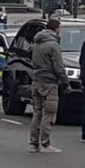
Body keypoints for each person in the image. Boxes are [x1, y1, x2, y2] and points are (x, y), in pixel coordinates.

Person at [28, 18, 65, 154]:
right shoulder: (53, 45)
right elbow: (58, 66)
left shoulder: (37, 43)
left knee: (37, 112)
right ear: (56, 29)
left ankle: (33, 143)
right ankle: (45, 143)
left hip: (37, 80)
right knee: (49, 113)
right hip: (50, 82)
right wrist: (65, 82)